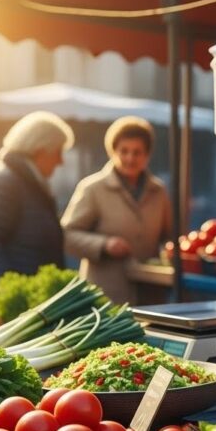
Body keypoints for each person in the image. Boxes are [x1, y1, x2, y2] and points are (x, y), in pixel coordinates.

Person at [0, 111, 74, 307]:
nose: (61, 161)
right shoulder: (4, 180)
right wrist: (12, 293)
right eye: (58, 152)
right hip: (2, 307)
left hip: (23, 303)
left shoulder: (29, 181)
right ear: (41, 149)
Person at [61, 116, 172, 304]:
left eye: (137, 152)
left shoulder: (158, 191)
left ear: (147, 155)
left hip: (150, 295)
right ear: (113, 152)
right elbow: (66, 235)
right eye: (124, 151)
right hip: (106, 296)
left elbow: (169, 236)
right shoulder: (92, 188)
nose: (130, 158)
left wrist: (168, 250)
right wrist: (104, 244)